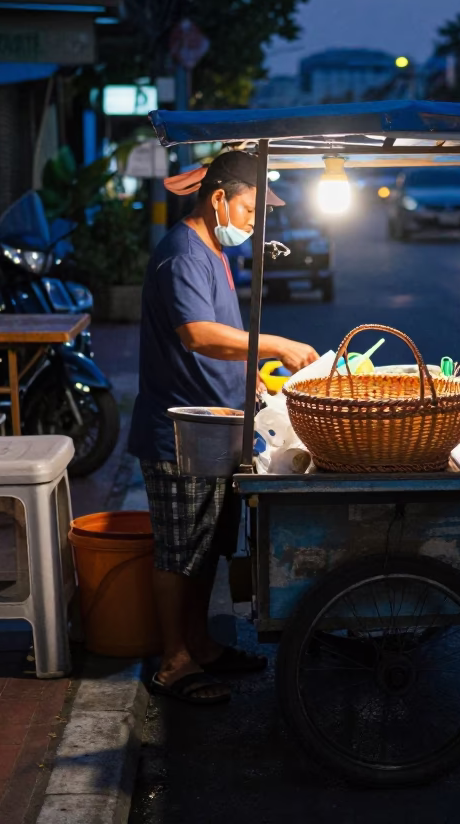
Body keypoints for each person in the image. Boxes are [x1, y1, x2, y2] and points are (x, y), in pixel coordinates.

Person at [128, 149, 319, 705]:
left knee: (207, 550)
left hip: (216, 428)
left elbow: (223, 342)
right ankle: (174, 662)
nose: (256, 222)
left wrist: (252, 379)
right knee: (180, 552)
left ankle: (201, 645)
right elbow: (198, 335)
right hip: (179, 433)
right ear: (218, 199)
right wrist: (276, 343)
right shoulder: (184, 254)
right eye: (251, 209)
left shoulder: (214, 251)